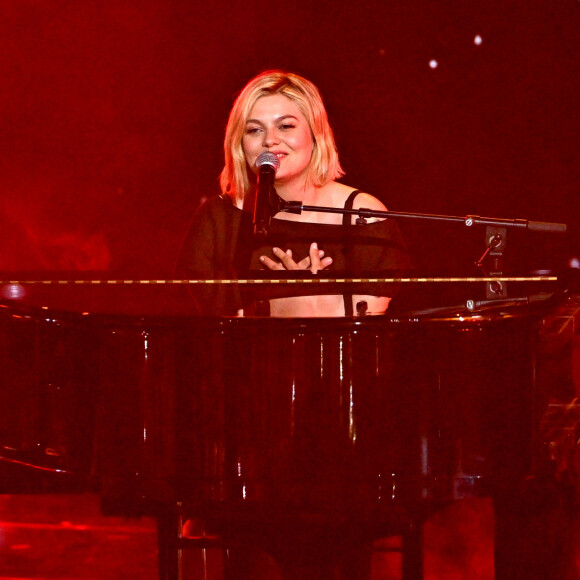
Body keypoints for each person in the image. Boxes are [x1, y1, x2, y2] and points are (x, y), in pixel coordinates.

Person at [176, 70, 412, 283]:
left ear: (315, 134)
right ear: (239, 143)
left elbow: (380, 321)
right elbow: (195, 323)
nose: (269, 140)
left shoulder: (363, 215)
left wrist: (311, 301)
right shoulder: (216, 220)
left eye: (286, 126)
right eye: (254, 129)